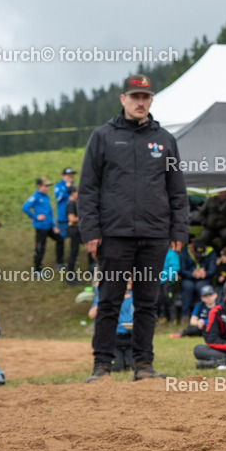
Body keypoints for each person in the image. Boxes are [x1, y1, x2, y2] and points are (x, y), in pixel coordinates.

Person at [78, 72, 189, 382]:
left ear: (151, 100)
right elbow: (87, 189)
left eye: (146, 97)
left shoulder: (165, 139)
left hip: (155, 235)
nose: (141, 102)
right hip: (114, 235)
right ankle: (102, 366)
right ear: (123, 99)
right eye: (135, 97)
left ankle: (144, 365)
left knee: (147, 302)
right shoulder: (103, 137)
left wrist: (179, 231)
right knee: (109, 300)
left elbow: (177, 191)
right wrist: (90, 231)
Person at [21, 178, 63, 269]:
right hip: (41, 228)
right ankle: (37, 269)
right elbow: (24, 207)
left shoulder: (46, 196)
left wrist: (54, 225)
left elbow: (50, 212)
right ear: (38, 186)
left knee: (60, 239)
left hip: (49, 226)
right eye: (45, 186)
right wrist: (35, 217)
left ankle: (59, 263)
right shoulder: (35, 196)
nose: (47, 188)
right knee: (40, 248)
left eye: (48, 186)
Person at [178, 239, 216, 320]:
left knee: (202, 287)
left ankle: (203, 314)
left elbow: (212, 269)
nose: (199, 257)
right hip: (188, 277)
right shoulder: (185, 252)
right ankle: (185, 315)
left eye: (201, 255)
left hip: (204, 278)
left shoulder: (210, 252)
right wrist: (192, 274)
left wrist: (205, 273)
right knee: (188, 286)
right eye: (197, 254)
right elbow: (182, 270)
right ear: (192, 249)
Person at [65, 186, 92, 279]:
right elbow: (71, 219)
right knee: (74, 252)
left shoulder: (76, 203)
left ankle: (91, 270)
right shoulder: (71, 204)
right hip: (74, 230)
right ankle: (70, 276)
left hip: (78, 230)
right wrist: (84, 217)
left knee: (90, 247)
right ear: (72, 193)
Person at [53, 168, 75, 269]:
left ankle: (72, 258)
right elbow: (58, 198)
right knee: (61, 240)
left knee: (74, 239)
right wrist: (67, 188)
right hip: (63, 218)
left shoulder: (72, 185)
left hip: (73, 217)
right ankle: (59, 262)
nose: (70, 177)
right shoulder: (58, 186)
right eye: (68, 175)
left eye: (71, 175)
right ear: (63, 176)